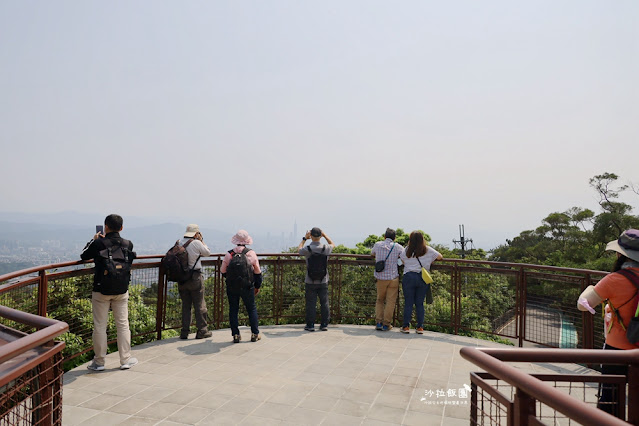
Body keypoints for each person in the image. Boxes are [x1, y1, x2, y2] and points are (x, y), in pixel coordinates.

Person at [577, 229, 639, 416]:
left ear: (620, 254)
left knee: (610, 399)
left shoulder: (614, 280)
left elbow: (583, 305)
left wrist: (590, 288)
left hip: (617, 351)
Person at [80, 214, 138, 371]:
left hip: (101, 290)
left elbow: (83, 256)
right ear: (121, 228)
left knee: (100, 325)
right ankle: (125, 360)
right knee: (123, 324)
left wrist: (94, 240)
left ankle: (99, 362)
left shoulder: (99, 243)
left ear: (105, 227)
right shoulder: (128, 244)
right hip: (121, 289)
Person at [221, 230, 263, 343]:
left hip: (232, 287)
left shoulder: (229, 254)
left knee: (233, 310)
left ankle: (235, 335)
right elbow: (257, 272)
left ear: (236, 241)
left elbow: (223, 271)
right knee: (251, 309)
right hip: (247, 287)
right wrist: (257, 286)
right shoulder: (251, 254)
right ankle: (255, 333)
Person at [399, 231, 442, 334]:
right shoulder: (427, 249)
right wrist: (429, 262)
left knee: (408, 303)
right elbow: (440, 256)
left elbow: (402, 260)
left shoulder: (406, 250)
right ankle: (420, 327)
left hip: (408, 277)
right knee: (419, 303)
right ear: (422, 239)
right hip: (422, 278)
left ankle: (405, 327)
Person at [177, 224, 212, 340]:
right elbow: (207, 252)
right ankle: (202, 330)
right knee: (199, 304)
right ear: (196, 233)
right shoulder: (196, 243)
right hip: (195, 277)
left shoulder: (179, 242)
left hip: (182, 278)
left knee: (186, 306)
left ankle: (184, 332)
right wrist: (202, 241)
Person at [298, 227, 335, 331]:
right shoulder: (325, 248)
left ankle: (310, 325)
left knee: (311, 303)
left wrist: (304, 239)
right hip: (323, 279)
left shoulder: (308, 249)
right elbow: (333, 244)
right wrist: (325, 235)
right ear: (320, 236)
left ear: (311, 236)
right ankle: (324, 324)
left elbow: (299, 250)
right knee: (324, 302)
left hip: (310, 280)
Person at [371, 228, 405, 331]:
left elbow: (372, 254)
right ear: (394, 238)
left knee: (380, 300)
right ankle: (386, 324)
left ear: (384, 237)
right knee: (391, 301)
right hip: (393, 277)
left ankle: (378, 323)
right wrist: (398, 262)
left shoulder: (377, 245)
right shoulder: (398, 247)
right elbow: (404, 258)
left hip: (380, 277)